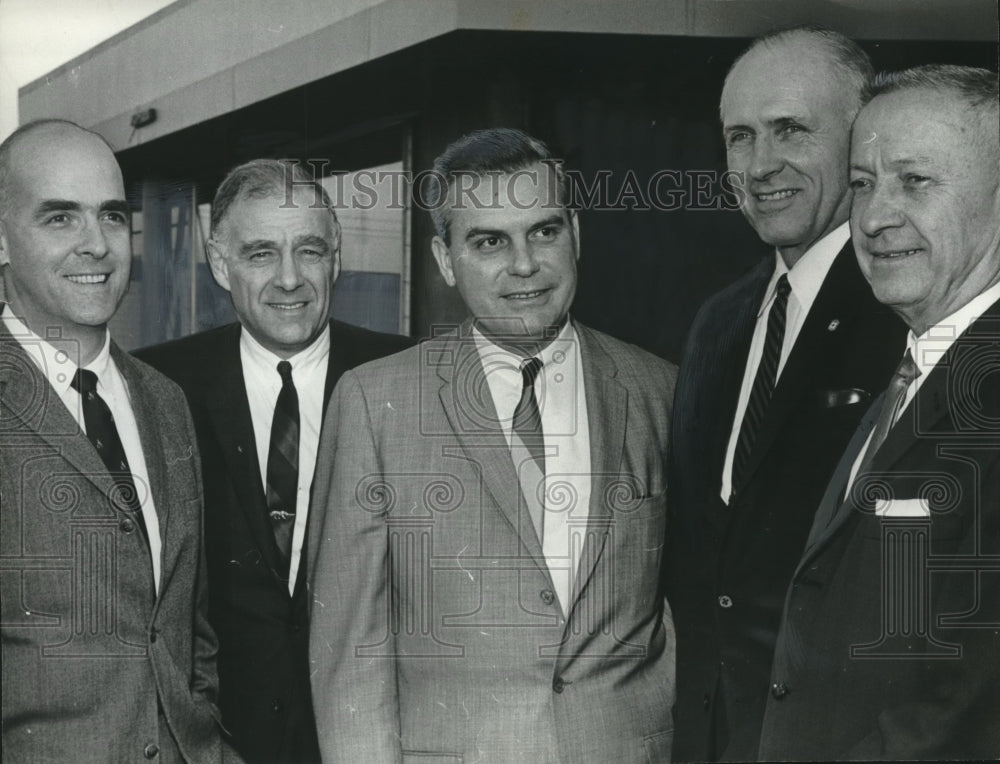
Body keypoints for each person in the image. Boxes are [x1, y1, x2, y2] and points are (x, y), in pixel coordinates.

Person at [307, 128, 677, 762]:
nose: (525, 264)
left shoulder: (659, 389)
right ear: (446, 260)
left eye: (544, 231)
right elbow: (350, 658)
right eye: (489, 242)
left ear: (577, 236)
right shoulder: (376, 403)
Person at [665, 26, 907, 761]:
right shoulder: (720, 321)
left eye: (790, 130)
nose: (761, 165)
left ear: (863, 141)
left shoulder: (906, 314)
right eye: (740, 137)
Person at [136, 159, 413, 763]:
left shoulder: (408, 378)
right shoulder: (157, 385)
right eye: (261, 253)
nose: (290, 279)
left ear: (336, 259)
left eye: (309, 250)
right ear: (219, 264)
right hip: (217, 743)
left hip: (372, 741)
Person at [760, 63, 1000, 761]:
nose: (873, 217)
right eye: (862, 183)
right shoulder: (915, 370)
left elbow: (968, 706)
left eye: (914, 182)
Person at [0, 119, 228, 761]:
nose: (96, 245)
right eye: (60, 219)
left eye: (111, 215)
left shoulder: (165, 400)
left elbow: (188, 631)